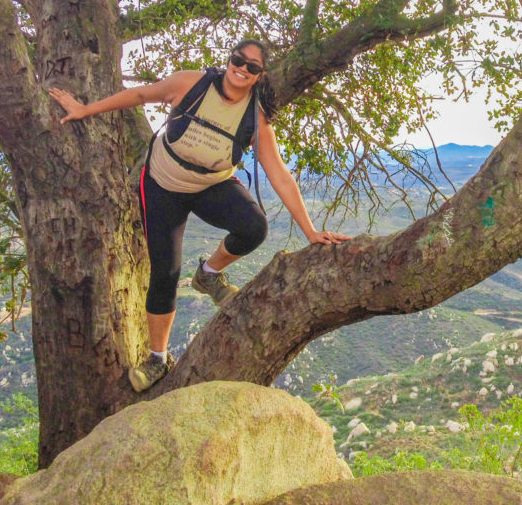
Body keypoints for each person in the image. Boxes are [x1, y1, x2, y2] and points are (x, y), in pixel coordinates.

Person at [49, 38, 349, 391]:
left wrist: (311, 232)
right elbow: (141, 94)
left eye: (252, 66)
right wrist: (85, 109)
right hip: (162, 186)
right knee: (165, 273)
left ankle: (208, 275)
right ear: (230, 59)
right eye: (239, 59)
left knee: (254, 227)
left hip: (210, 185)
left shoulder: (255, 117)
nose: (243, 68)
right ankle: (157, 359)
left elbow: (279, 174)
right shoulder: (191, 83)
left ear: (259, 75)